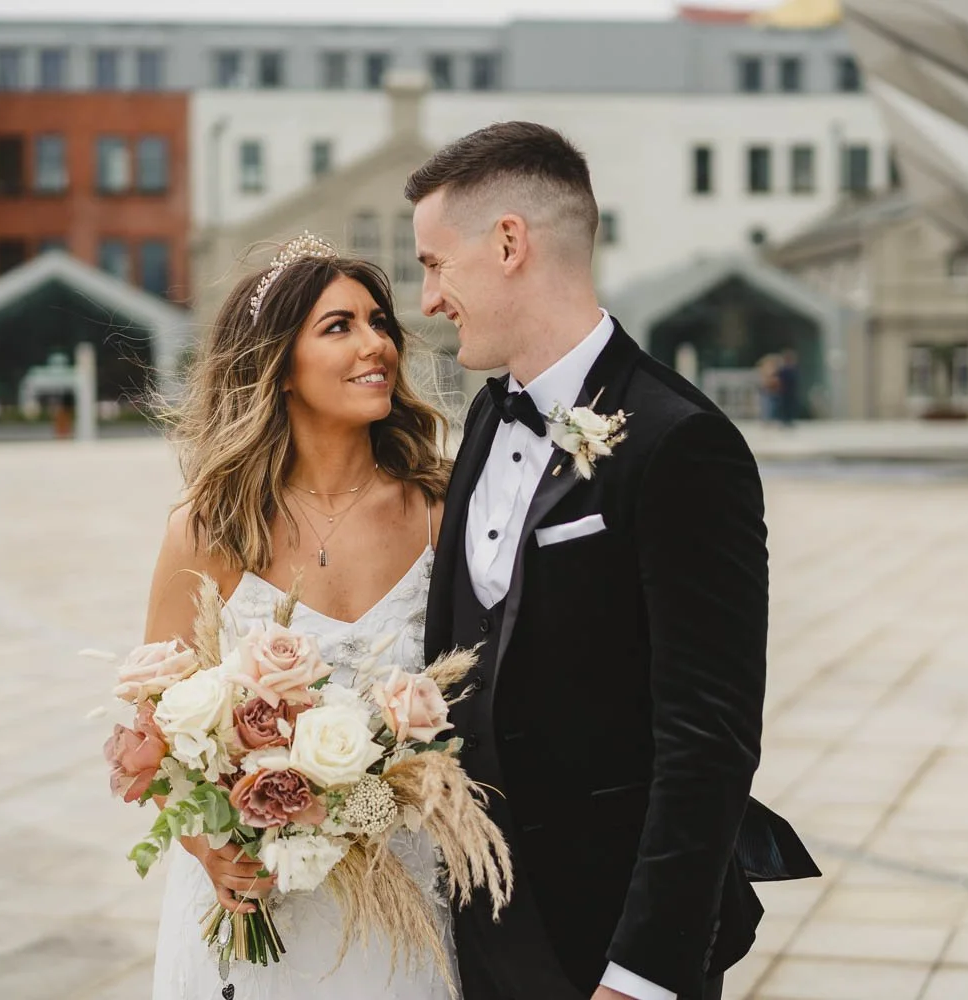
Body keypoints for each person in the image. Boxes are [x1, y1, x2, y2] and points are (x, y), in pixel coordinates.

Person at [409, 122, 817, 1000]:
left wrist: (642, 973)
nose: (427, 298)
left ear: (509, 242)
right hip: (479, 931)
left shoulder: (682, 443)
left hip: (608, 946)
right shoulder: (486, 418)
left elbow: (708, 737)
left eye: (436, 263)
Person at [141, 239, 457, 999]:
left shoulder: (439, 507)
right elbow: (152, 731)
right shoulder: (211, 524)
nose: (377, 342)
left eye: (379, 321)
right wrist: (210, 849)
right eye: (339, 326)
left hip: (401, 906)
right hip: (257, 916)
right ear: (279, 365)